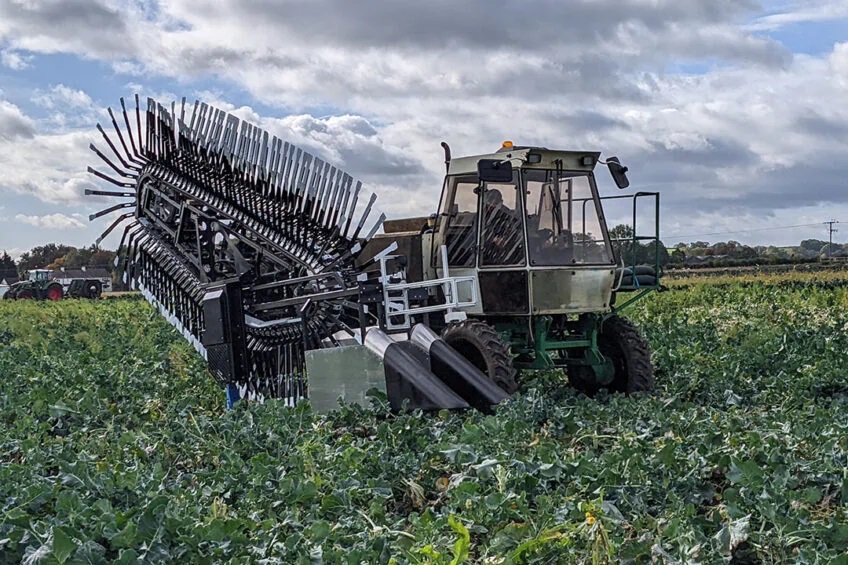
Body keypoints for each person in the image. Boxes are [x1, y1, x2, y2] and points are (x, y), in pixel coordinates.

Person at [481, 187, 524, 265]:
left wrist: (505, 240)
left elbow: (518, 233)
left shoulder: (509, 216)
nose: (492, 206)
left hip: (506, 257)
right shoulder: (480, 216)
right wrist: (492, 239)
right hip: (483, 256)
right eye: (489, 203)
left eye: (495, 203)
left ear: (501, 202)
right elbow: (475, 235)